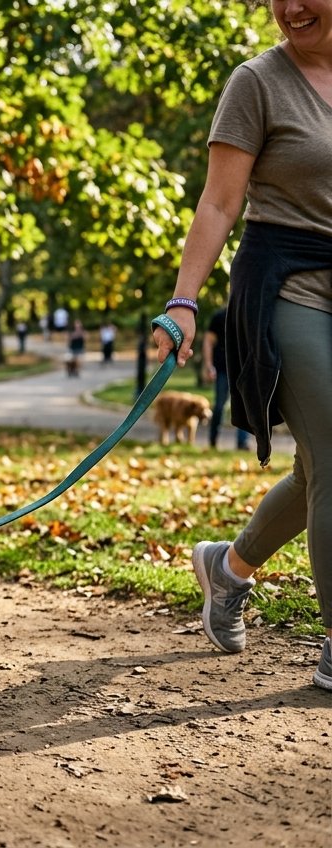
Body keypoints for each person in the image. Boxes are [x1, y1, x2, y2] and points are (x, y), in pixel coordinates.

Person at [153, 3, 332, 690]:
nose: (289, 7)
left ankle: (228, 569)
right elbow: (220, 203)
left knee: (321, 469)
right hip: (287, 287)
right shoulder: (257, 82)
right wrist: (183, 300)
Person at [201, 306, 250, 451]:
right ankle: (213, 440)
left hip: (243, 370)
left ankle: (242, 443)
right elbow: (208, 341)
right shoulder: (219, 317)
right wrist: (209, 366)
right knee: (219, 407)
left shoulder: (248, 315)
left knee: (244, 406)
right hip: (223, 369)